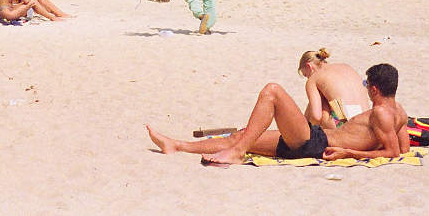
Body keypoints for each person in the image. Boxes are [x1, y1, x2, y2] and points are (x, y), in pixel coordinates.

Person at [145, 63, 410, 166]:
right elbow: (404, 148)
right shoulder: (400, 113)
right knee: (243, 136)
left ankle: (236, 154)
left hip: (317, 143)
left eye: (367, 86)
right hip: (317, 138)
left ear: (374, 89)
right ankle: (176, 145)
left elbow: (391, 152)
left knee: (272, 92)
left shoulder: (382, 114)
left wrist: (350, 153)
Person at [299, 49, 371, 129]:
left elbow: (316, 117)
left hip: (347, 127)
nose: (308, 78)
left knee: (321, 101)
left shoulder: (313, 79)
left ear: (309, 66)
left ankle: (303, 128)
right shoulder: (345, 66)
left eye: (306, 75)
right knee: (332, 100)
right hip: (368, 121)